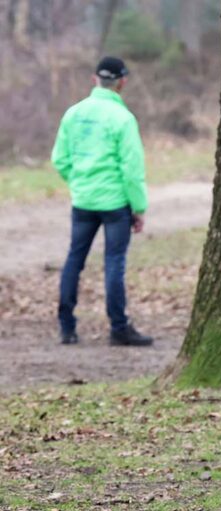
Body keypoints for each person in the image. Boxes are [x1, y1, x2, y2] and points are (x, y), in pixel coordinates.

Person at [51, 56, 152, 346]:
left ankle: (66, 326)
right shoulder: (123, 119)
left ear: (95, 79)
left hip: (83, 200)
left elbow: (60, 158)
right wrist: (138, 207)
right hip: (114, 203)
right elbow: (131, 170)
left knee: (75, 259)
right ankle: (119, 328)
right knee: (114, 263)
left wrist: (79, 181)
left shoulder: (73, 113)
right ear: (122, 82)